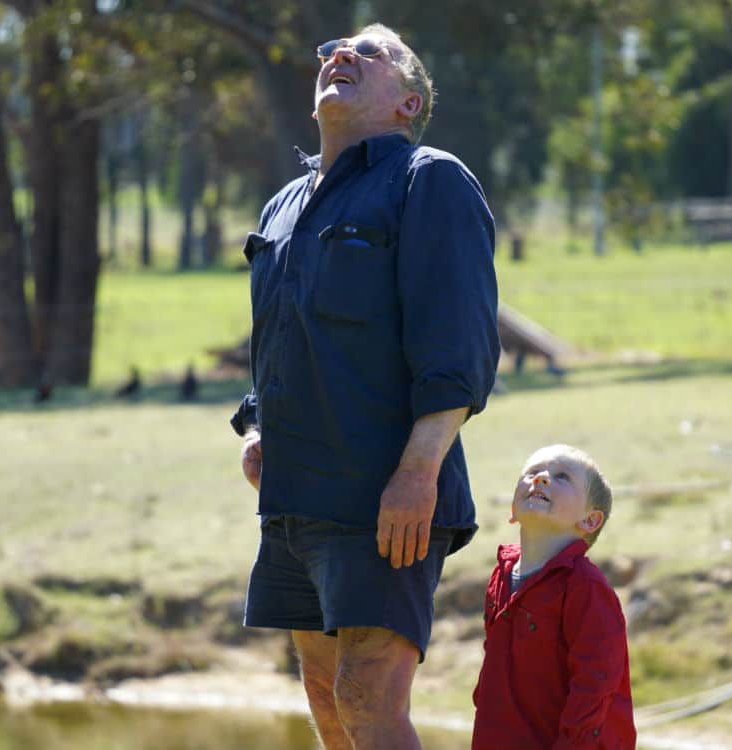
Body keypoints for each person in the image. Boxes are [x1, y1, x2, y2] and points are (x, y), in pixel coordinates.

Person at [230, 22, 500, 750]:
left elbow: (459, 344)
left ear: (408, 102)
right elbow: (279, 338)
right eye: (331, 51)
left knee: (367, 694)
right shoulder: (282, 206)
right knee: (325, 697)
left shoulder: (429, 179)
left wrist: (418, 470)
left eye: (369, 52)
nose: (339, 56)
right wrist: (256, 427)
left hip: (389, 496)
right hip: (295, 494)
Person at [471, 444, 637, 749]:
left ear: (590, 520)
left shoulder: (586, 588)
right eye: (531, 472)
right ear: (512, 510)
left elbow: (595, 686)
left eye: (561, 477)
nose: (541, 479)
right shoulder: (501, 576)